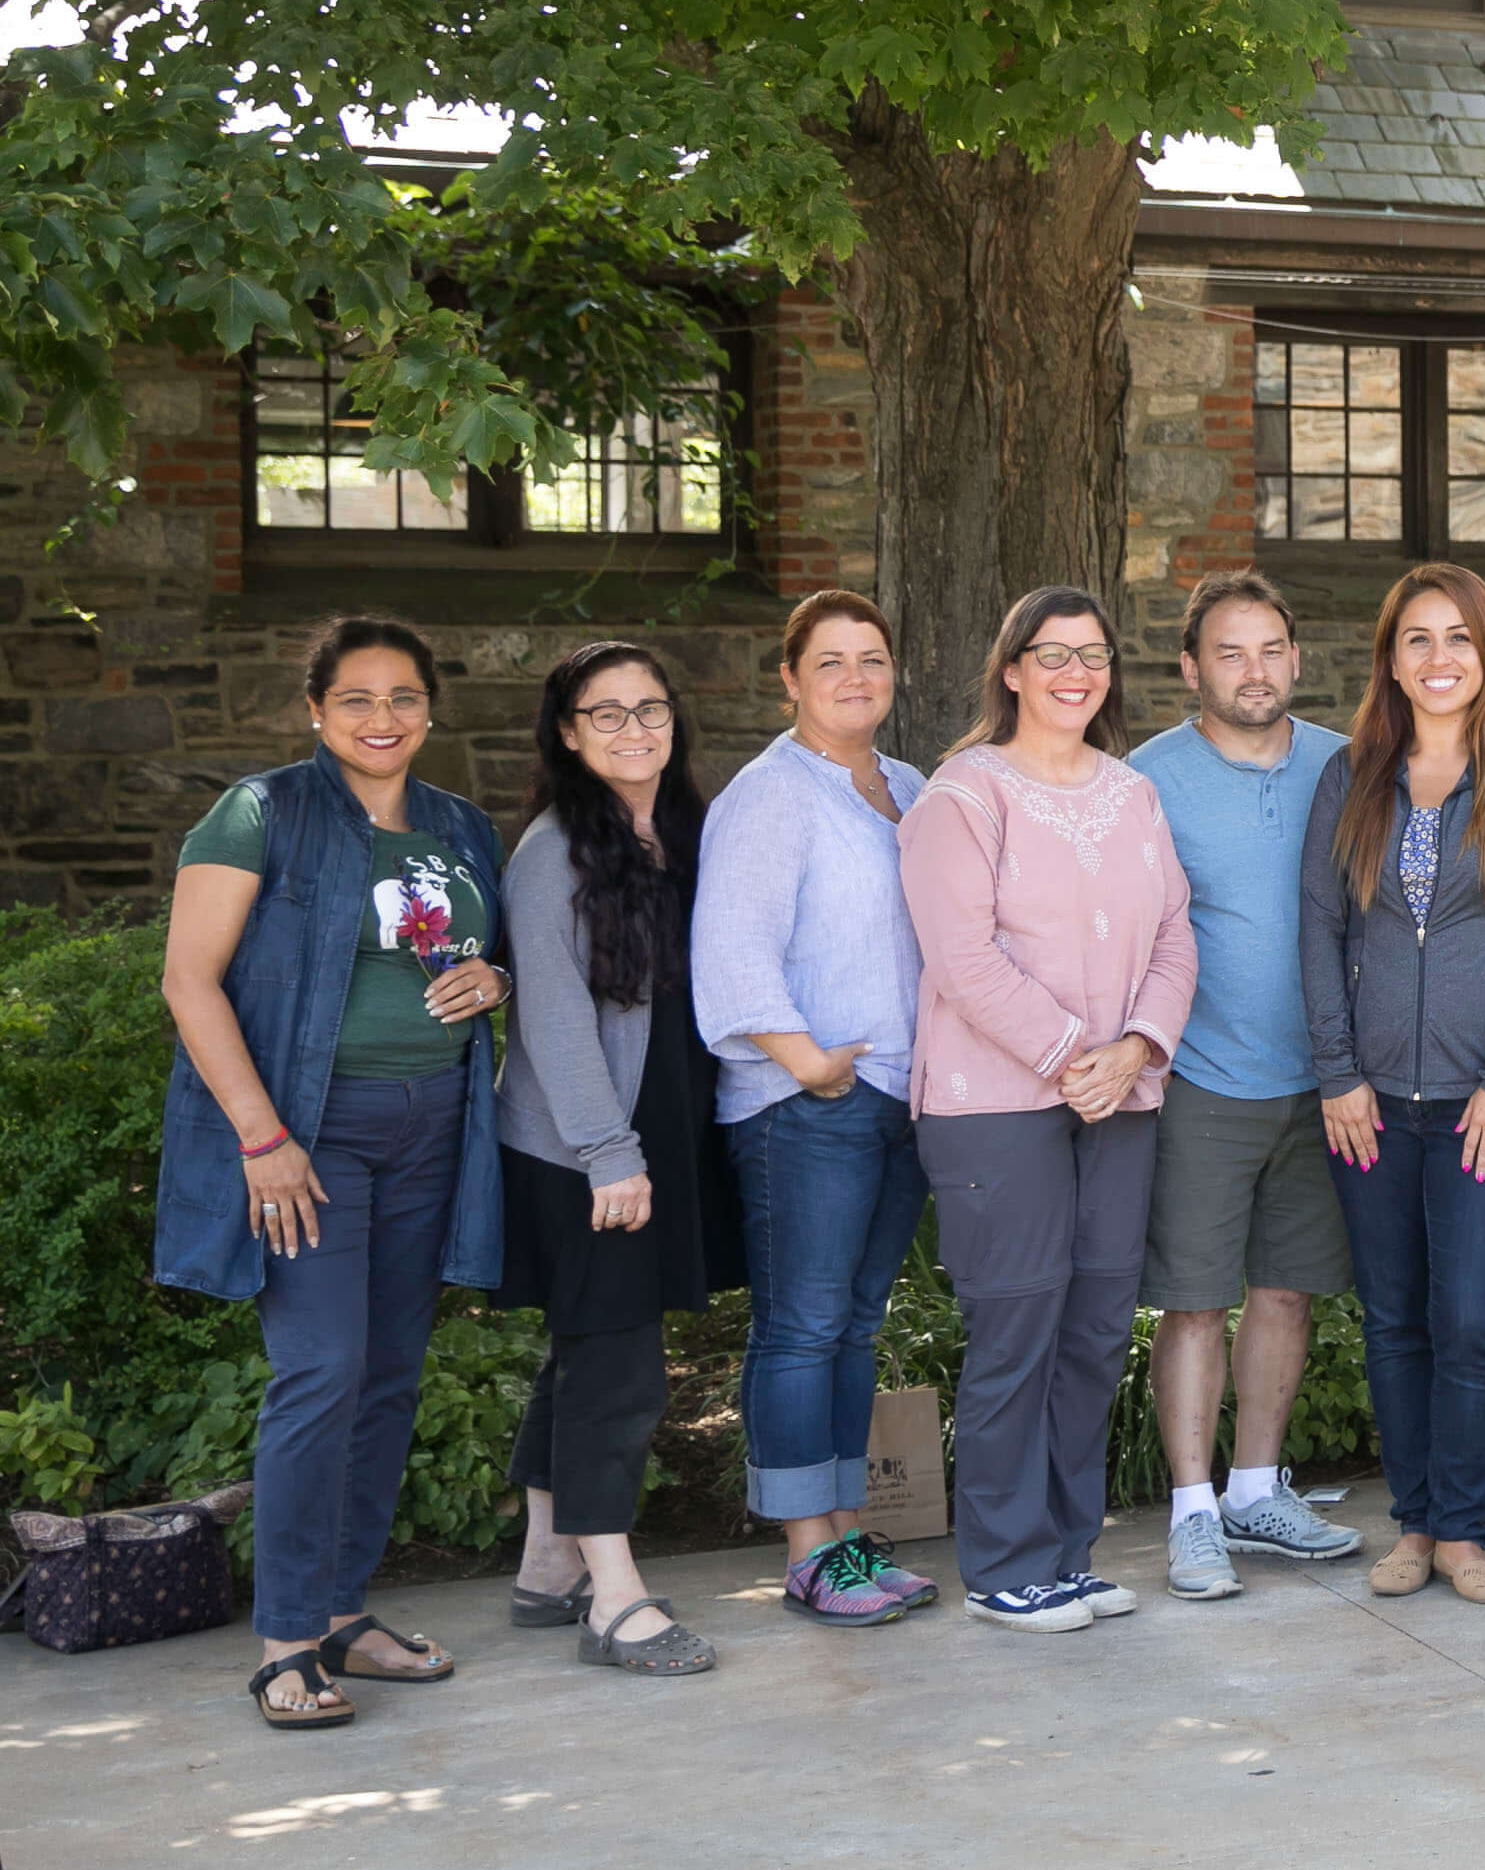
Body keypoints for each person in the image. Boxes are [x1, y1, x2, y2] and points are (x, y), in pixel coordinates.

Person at [158, 619, 508, 1730]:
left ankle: (346, 1614)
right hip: (310, 1135)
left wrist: (488, 981)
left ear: (430, 711)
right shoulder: (260, 812)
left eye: (403, 697)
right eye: (355, 698)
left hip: (436, 1127)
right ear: (315, 710)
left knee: (391, 1374)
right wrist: (264, 1137)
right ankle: (286, 1640)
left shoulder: (461, 827)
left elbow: (465, 959)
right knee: (321, 1369)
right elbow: (189, 982)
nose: (381, 718)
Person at [899, 587, 1198, 1632]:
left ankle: (1067, 1553)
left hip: (1122, 1098)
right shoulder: (963, 796)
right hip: (994, 1108)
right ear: (1012, 669)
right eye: (1053, 654)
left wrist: (1135, 1052)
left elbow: (1174, 935)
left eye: (1095, 656)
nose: (1077, 673)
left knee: (1093, 1330)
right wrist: (1079, 1056)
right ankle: (1004, 1565)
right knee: (1017, 1331)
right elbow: (962, 957)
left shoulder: (1132, 793)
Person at [1305, 562, 1485, 1607]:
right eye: (1417, 639)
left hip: (1480, 1109)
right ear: (1391, 659)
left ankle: (1464, 1531)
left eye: (1457, 638)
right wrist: (1337, 1072)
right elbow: (1319, 932)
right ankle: (1411, 1525)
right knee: (1393, 1320)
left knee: (1466, 1319)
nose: (1438, 659)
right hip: (1368, 1103)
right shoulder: (1351, 777)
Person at [694, 591, 941, 1628]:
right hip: (805, 1102)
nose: (853, 677)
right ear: (790, 679)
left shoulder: (911, 787)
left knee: (851, 1326)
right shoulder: (768, 795)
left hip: (898, 1097)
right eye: (828, 661)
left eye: (871, 658)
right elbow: (732, 951)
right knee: (799, 1328)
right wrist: (809, 1064)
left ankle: (842, 1530)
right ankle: (804, 1548)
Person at [494, 644, 738, 1676]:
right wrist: (608, 1155)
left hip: (663, 1127)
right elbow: (551, 1019)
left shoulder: (682, 832)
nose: (634, 729)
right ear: (566, 732)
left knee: (586, 1347)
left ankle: (548, 1564)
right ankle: (614, 1598)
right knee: (619, 1367)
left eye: (651, 708)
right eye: (607, 714)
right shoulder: (554, 851)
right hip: (584, 1146)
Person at [1130, 571, 1361, 1602]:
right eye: (1229, 652)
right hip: (1202, 1082)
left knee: (1285, 1292)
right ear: (1189, 669)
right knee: (1191, 1303)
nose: (1253, 670)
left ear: (1296, 660)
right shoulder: (1146, 782)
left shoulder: (1346, 766)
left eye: (1270, 648)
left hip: (1324, 1084)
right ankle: (1191, 1515)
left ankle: (1258, 1490)